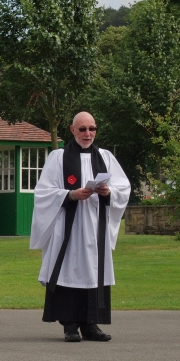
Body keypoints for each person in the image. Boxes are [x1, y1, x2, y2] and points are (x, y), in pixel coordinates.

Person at [30, 111, 130, 342]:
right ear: (72, 129)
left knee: (94, 270)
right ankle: (70, 326)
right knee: (68, 270)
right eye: (82, 129)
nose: (88, 133)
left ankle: (91, 325)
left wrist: (109, 192)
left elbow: (123, 187)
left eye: (92, 129)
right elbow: (43, 192)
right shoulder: (58, 157)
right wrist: (71, 194)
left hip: (95, 227)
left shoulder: (105, 157)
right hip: (68, 227)